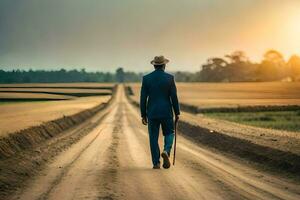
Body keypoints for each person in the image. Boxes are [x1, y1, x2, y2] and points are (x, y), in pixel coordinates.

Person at [140, 55, 180, 169]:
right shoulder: (170, 78)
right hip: (166, 112)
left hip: (152, 112)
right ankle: (166, 151)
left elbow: (143, 98)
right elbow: (174, 97)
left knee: (153, 137)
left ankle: (156, 163)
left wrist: (143, 114)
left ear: (154, 66)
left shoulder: (146, 78)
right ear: (164, 65)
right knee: (169, 133)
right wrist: (177, 112)